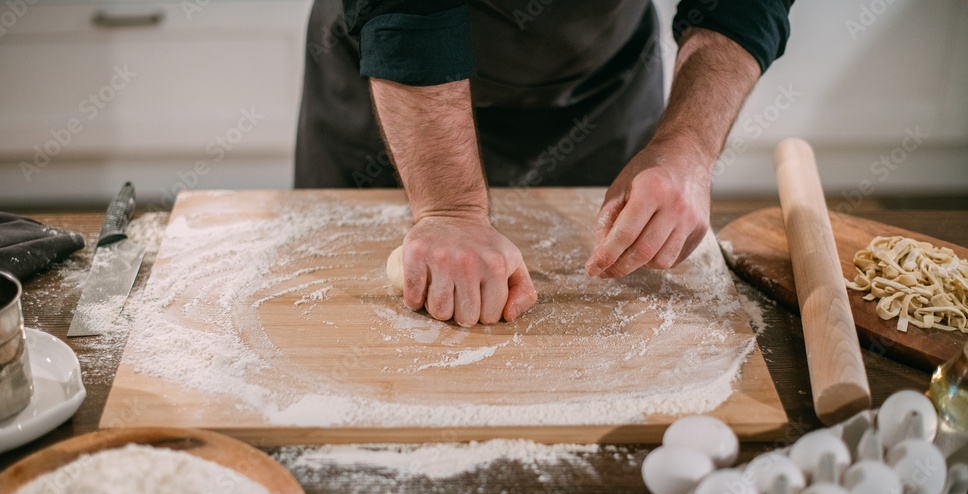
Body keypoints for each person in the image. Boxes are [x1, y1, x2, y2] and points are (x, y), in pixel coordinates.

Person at [295, 0, 793, 326]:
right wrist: (448, 209)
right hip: (398, 69)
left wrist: (689, 144)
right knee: (335, 308)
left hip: (599, 80)